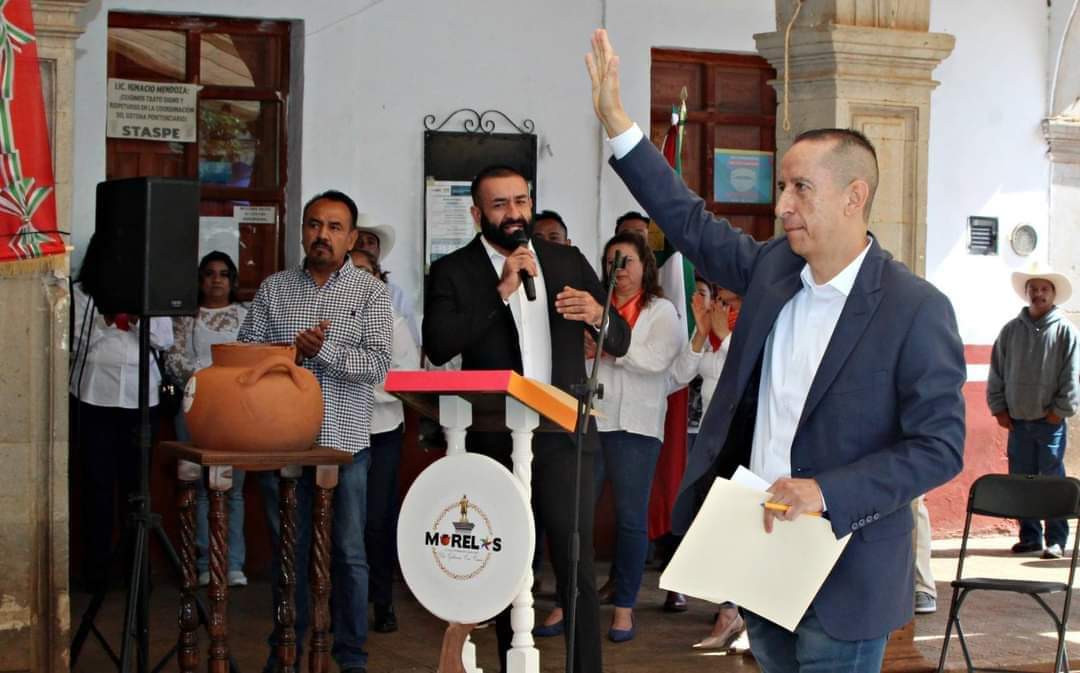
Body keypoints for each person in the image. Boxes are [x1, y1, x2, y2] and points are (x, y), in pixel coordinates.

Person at [587, 28, 966, 673]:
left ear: (854, 196)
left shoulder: (915, 308)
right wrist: (620, 125)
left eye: (800, 188)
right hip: (760, 555)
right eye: (783, 187)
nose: (782, 204)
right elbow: (688, 221)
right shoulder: (772, 270)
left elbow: (940, 446)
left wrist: (828, 491)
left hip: (845, 570)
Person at [423, 164, 631, 673]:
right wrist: (500, 291)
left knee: (576, 564)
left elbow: (620, 340)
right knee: (504, 564)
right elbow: (439, 344)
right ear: (477, 214)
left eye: (520, 201)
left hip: (562, 437)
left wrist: (598, 314)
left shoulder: (566, 260)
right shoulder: (454, 270)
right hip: (495, 439)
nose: (514, 213)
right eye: (500, 205)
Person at [239, 189, 393, 673]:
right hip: (283, 445)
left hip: (344, 446)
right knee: (290, 553)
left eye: (333, 227)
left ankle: (351, 656)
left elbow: (377, 365)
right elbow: (246, 354)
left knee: (348, 554)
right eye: (314, 225)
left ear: (351, 238)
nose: (322, 235)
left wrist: (323, 351)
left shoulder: (370, 292)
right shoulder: (275, 289)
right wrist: (291, 353)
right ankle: (284, 651)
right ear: (302, 231)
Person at [70, 232, 174, 590]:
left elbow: (165, 338)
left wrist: (135, 318)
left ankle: (136, 571)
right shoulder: (82, 291)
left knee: (136, 488)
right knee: (96, 485)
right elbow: (75, 340)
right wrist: (109, 319)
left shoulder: (150, 289)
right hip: (93, 396)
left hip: (139, 399)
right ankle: (97, 570)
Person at [591, 231, 682, 642]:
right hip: (593, 419)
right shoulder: (595, 307)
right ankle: (568, 603)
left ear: (646, 266)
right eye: (611, 261)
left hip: (638, 427)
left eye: (626, 260)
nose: (619, 269)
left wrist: (610, 353)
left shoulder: (661, 310)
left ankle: (624, 608)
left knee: (631, 519)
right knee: (576, 513)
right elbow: (581, 357)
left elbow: (656, 359)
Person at [670, 279, 748, 649]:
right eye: (718, 299)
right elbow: (680, 376)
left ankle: (743, 616)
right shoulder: (714, 326)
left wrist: (726, 337)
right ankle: (729, 610)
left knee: (743, 531)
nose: (720, 306)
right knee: (718, 529)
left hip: (744, 442)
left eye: (727, 300)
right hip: (710, 444)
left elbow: (749, 377)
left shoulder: (755, 325)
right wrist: (702, 333)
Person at [165, 251, 249, 587]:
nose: (217, 280)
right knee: (199, 489)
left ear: (233, 280)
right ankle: (203, 564)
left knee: (233, 490)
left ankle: (233, 564)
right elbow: (174, 360)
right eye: (210, 273)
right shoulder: (186, 317)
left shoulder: (245, 315)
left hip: (237, 409)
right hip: (194, 405)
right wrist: (209, 381)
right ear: (200, 279)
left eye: (224, 274)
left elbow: (253, 359)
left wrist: (227, 384)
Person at [349, 247, 421, 634]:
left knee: (377, 520)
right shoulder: (331, 322)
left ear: (379, 278)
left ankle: (382, 601)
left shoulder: (395, 323)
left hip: (383, 432)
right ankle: (346, 603)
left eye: (366, 272)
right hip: (340, 432)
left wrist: (355, 382)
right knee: (345, 523)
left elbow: (404, 382)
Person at [987, 264, 1080, 559]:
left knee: (1052, 482)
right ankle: (1030, 537)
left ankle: (1056, 540)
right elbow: (997, 371)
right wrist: (999, 408)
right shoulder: (1010, 331)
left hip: (1050, 422)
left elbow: (1071, 376)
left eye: (1044, 289)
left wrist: (1060, 411)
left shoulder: (1065, 331)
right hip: (1017, 421)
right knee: (1021, 481)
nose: (1038, 294)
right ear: (1026, 293)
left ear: (1053, 294)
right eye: (1033, 289)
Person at [352, 214, 420, 347]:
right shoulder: (333, 289)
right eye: (358, 241)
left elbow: (412, 344)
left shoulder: (395, 294)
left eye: (371, 242)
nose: (364, 246)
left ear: (378, 250)